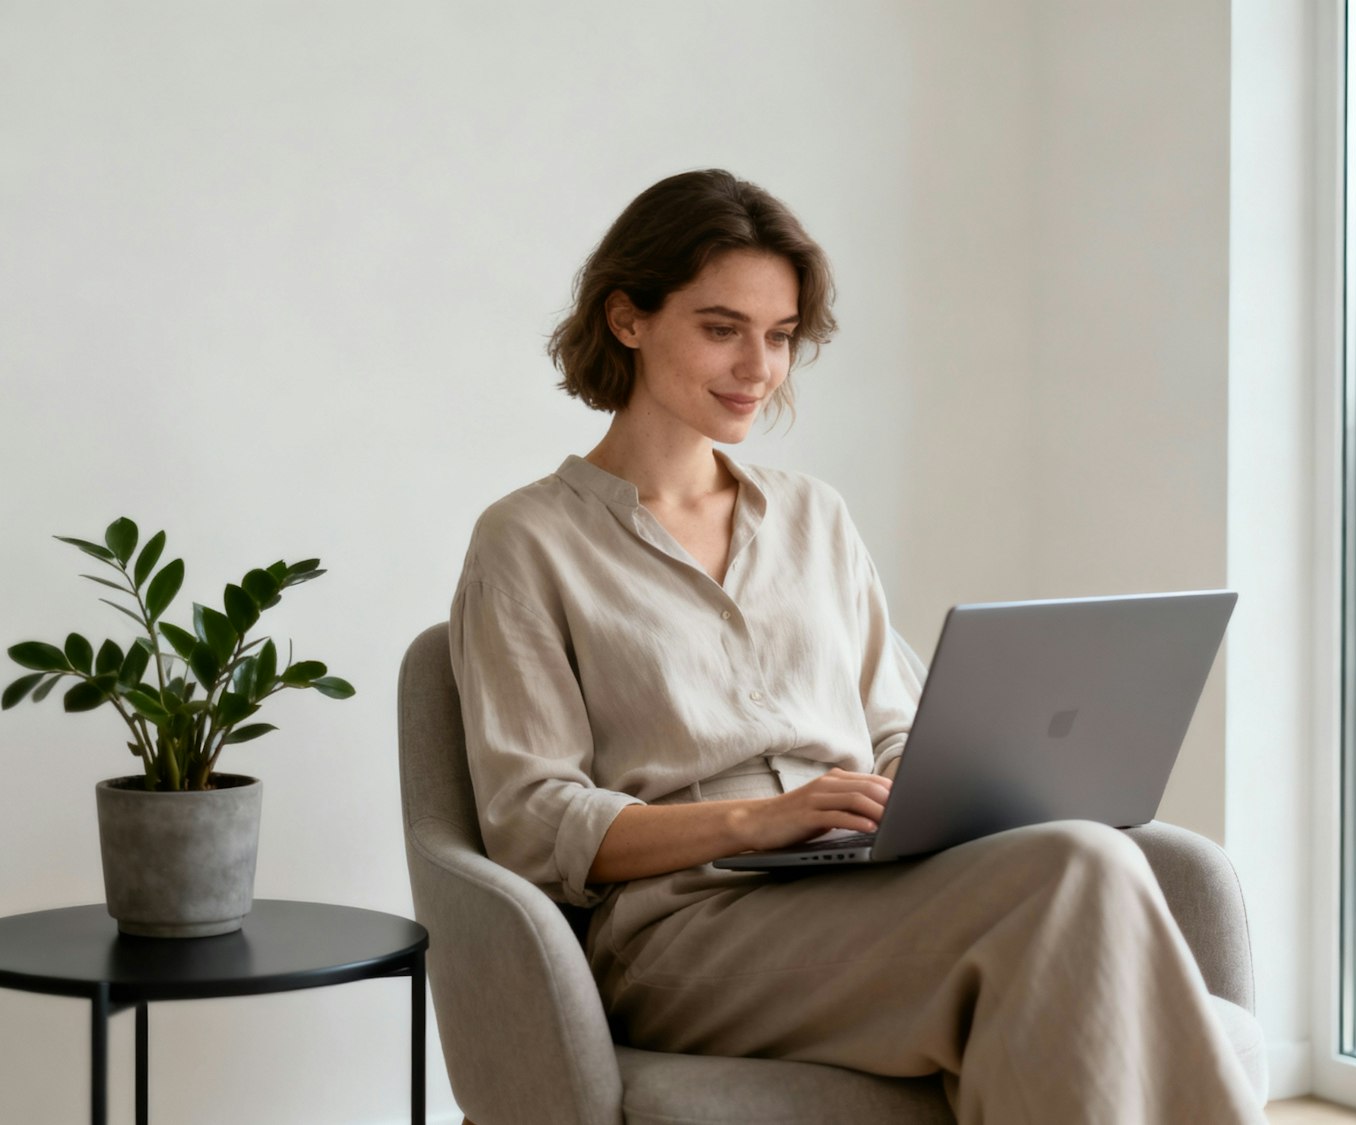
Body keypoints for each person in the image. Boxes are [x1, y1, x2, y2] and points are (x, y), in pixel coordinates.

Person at [449, 169, 1262, 1123]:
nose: (759, 366)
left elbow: (897, 725)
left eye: (781, 335)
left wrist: (935, 791)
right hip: (683, 933)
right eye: (722, 328)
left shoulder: (813, 517)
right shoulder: (527, 541)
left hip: (865, 883)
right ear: (628, 319)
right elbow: (533, 821)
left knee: (1081, 863)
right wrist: (761, 821)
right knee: (1081, 871)